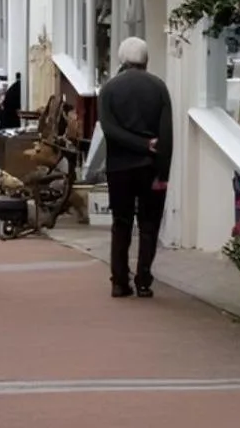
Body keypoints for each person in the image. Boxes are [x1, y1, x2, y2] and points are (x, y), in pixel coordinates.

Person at [98, 37, 173, 298]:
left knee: (121, 223)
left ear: (121, 59)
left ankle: (119, 281)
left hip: (119, 168)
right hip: (150, 168)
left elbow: (109, 130)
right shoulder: (159, 88)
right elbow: (167, 134)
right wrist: (162, 171)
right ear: (146, 60)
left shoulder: (109, 89)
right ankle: (143, 279)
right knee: (149, 225)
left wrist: (138, 144)